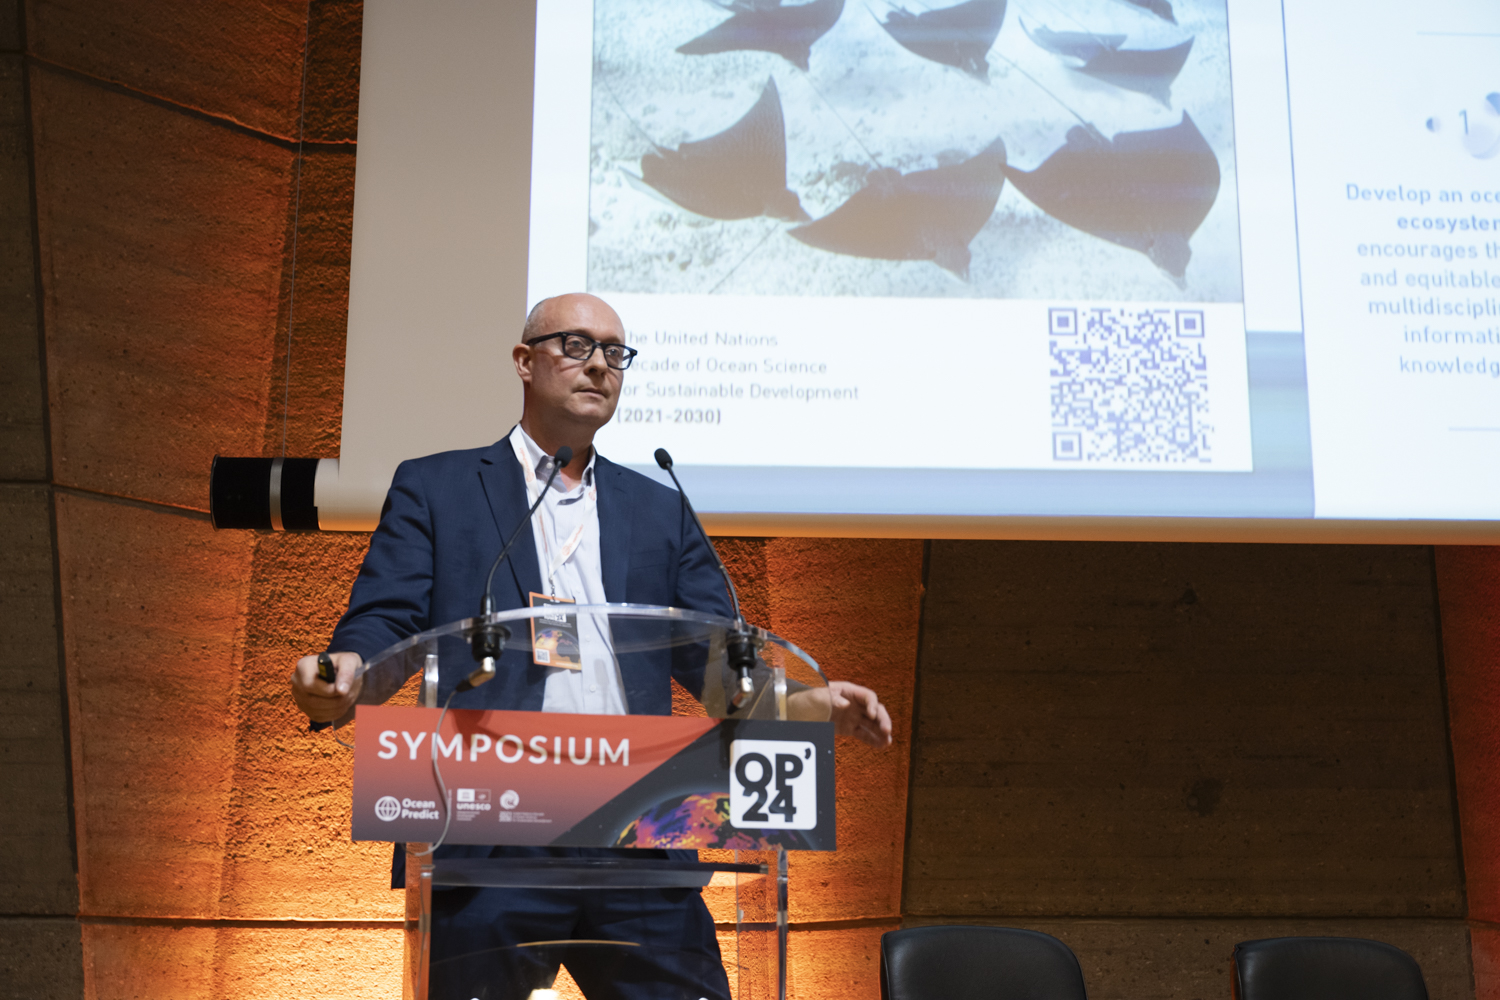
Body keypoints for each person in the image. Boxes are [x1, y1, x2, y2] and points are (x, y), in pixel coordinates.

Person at [291, 293, 893, 1000]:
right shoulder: (438, 488)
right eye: (576, 345)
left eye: (614, 352)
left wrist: (814, 705)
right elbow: (387, 619)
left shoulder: (660, 507)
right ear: (525, 362)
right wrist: (346, 672)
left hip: (638, 823)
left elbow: (720, 666)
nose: (599, 365)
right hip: (493, 824)